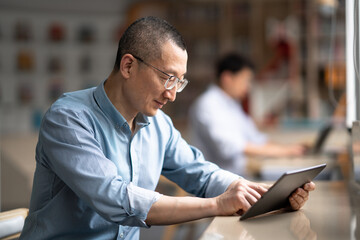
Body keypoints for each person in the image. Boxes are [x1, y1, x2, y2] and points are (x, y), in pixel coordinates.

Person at [20, 17, 314, 240]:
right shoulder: (68, 119)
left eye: (180, 81)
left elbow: (200, 172)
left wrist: (257, 194)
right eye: (167, 78)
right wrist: (217, 204)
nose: (173, 94)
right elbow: (116, 199)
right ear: (128, 66)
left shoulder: (158, 124)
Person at [189, 53, 306, 176]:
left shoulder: (232, 105)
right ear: (227, 78)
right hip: (214, 182)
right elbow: (230, 147)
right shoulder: (208, 104)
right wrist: (284, 152)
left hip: (235, 176)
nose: (248, 87)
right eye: (245, 80)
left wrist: (289, 149)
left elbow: (256, 138)